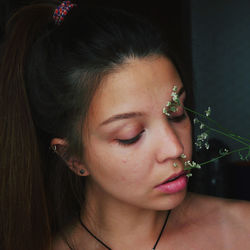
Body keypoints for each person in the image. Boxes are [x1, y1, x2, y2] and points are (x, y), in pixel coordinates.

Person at [0, 1, 249, 250]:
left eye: (177, 114)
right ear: (73, 157)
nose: (174, 148)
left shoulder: (242, 229)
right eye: (131, 135)